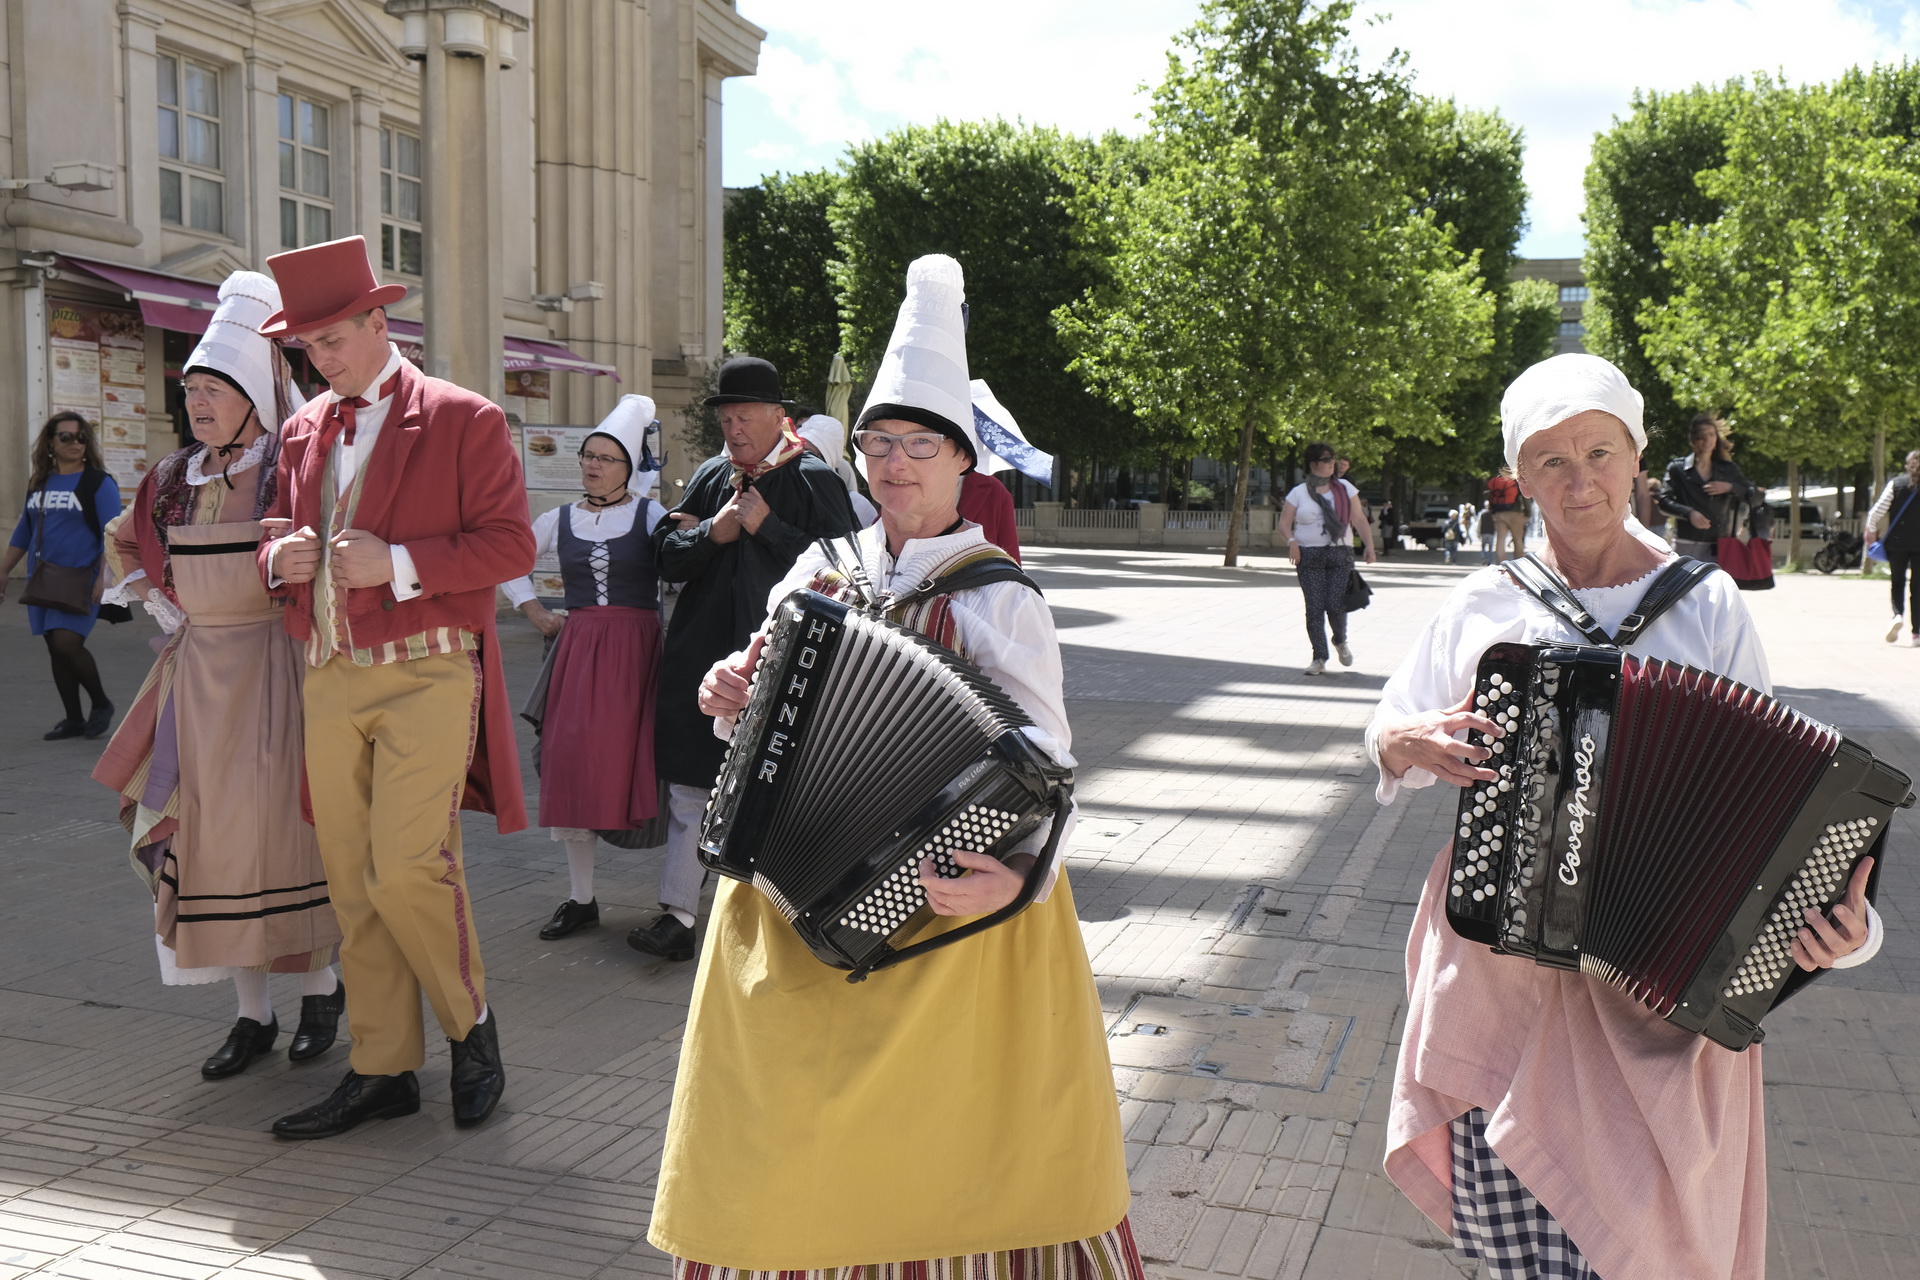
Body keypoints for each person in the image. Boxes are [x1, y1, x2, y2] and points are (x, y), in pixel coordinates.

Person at [650, 253, 1139, 1279]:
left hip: (951, 913)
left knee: (951, 1148)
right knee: (782, 1142)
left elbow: (1050, 769)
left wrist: (1027, 875)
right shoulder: (819, 570)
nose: (895, 464)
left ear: (965, 463)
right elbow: (760, 710)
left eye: (920, 444)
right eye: (880, 442)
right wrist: (726, 698)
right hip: (792, 895)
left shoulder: (1000, 597)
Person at [1366, 353, 1882, 1280]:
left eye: (1599, 453)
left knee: (1647, 1243)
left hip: (1655, 991)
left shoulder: (1707, 602)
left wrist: (1848, 926)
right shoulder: (1485, 602)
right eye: (1551, 462)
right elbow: (1392, 725)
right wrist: (1400, 745)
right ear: (1518, 477)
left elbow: (1776, 797)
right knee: (1517, 1245)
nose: (1580, 482)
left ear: (1638, 457)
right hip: (1502, 974)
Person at [254, 235, 535, 1139]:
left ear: (380, 322)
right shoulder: (304, 428)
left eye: (332, 341)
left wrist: (400, 562)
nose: (319, 360)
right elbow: (275, 533)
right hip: (328, 673)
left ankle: (471, 1026)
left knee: (410, 866)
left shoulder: (465, 417)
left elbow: (512, 548)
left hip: (428, 666)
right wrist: (279, 557)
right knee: (351, 881)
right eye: (306, 348)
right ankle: (382, 1068)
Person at [91, 271, 343, 1079]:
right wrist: (172, 608)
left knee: (288, 838)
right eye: (192, 388)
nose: (198, 403)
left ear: (256, 394)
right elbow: (125, 540)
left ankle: (321, 991)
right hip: (197, 681)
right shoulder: (172, 477)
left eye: (215, 388)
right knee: (211, 846)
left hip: (280, 672)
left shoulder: (292, 465)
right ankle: (249, 1015)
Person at [636, 357, 857, 962]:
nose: (733, 428)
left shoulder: (814, 478)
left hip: (780, 658)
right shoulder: (711, 475)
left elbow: (846, 574)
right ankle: (678, 913)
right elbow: (666, 559)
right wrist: (711, 533)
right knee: (688, 785)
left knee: (775, 787)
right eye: (727, 417)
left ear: (778, 417)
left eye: (745, 416)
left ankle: (777, 917)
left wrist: (769, 529)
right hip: (701, 653)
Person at [501, 395, 670, 938]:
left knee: (637, 763)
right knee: (571, 763)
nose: (593, 465)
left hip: (638, 651)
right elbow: (508, 562)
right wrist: (533, 611)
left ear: (629, 467)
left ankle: (675, 900)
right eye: (588, 456)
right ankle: (580, 899)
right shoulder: (559, 518)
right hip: (577, 651)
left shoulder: (652, 515)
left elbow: (686, 567)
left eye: (606, 457)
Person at [2, 413, 120, 739]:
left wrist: (104, 577)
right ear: (51, 442)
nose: (75, 443)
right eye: (66, 437)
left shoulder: (98, 482)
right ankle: (73, 719)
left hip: (82, 578)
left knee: (67, 643)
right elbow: (23, 533)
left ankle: (101, 703)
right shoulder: (39, 482)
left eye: (81, 437)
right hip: (42, 578)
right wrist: (3, 570)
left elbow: (111, 534)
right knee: (55, 648)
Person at [1278, 442, 1378, 676]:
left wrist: (1369, 547)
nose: (1332, 463)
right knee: (1314, 608)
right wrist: (1291, 542)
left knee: (1335, 604)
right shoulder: (1299, 492)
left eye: (1332, 458)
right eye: (1326, 459)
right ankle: (1319, 657)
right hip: (1308, 555)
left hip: (1339, 554)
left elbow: (1360, 520)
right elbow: (1284, 524)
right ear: (1313, 464)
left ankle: (1340, 640)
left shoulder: (1344, 488)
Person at [1657, 412, 1759, 564]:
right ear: (1692, 439)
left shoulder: (1728, 469)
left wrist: (1730, 487)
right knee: (1684, 587)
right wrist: (1689, 513)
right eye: (1701, 436)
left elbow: (1756, 496)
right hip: (1686, 542)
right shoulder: (1676, 468)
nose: (1707, 440)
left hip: (1719, 544)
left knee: (1715, 588)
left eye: (1711, 435)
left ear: (1716, 438)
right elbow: (1663, 501)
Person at [1862, 448, 1920, 644]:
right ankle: (1916, 633)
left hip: (1897, 542)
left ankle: (1897, 615)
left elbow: (1876, 511)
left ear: (1907, 466)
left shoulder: (1896, 484)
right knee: (1917, 587)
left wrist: (1870, 530)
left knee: (1897, 581)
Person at [792, 408, 878, 527]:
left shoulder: (857, 506)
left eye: (808, 454)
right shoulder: (783, 495)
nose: (800, 460)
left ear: (826, 462)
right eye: (797, 452)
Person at [1485, 470, 1526, 561]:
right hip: (1515, 514)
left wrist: (1492, 511)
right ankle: (1519, 563)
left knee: (1500, 539)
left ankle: (1500, 563)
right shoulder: (1516, 482)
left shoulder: (1497, 481)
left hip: (1499, 513)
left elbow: (1490, 496)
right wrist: (1528, 514)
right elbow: (1525, 498)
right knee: (1517, 540)